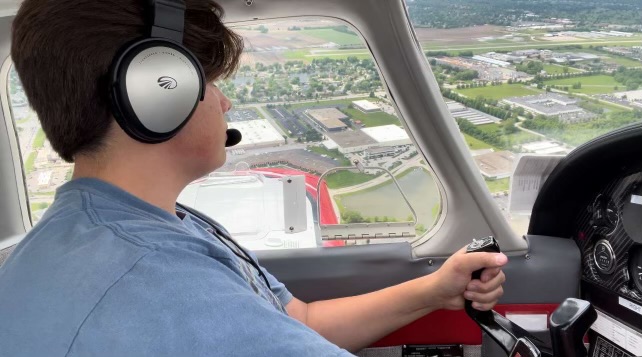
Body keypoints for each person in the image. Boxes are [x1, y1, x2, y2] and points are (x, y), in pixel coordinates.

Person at [0, 0, 507, 356]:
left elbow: (297, 324)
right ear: (156, 92)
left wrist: (435, 291)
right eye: (211, 81)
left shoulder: (128, 225)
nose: (226, 102)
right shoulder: (156, 282)